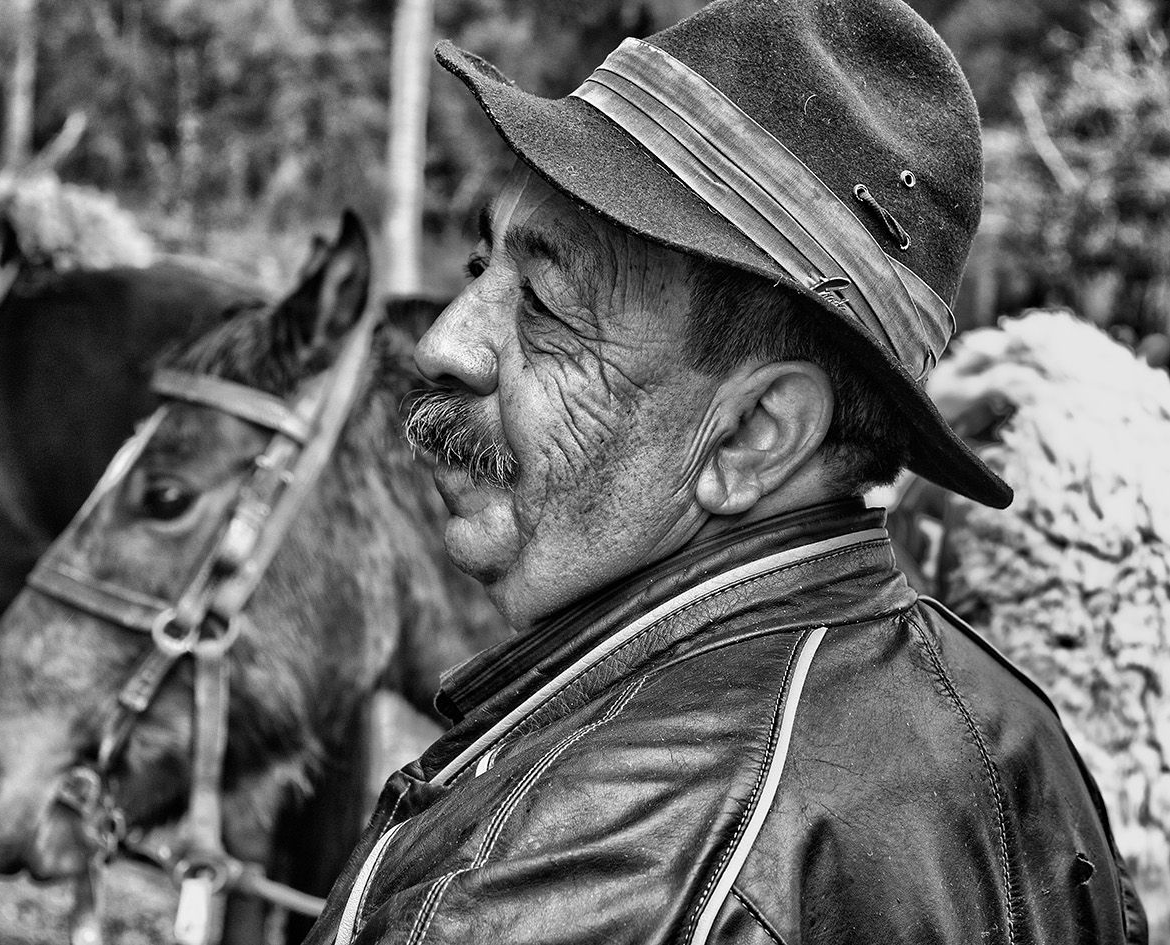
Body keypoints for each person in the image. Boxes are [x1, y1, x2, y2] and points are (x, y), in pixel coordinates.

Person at [304, 1, 1148, 942]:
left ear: (753, 433)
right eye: (477, 267)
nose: (443, 343)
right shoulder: (1020, 745)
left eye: (542, 302)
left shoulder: (554, 873)